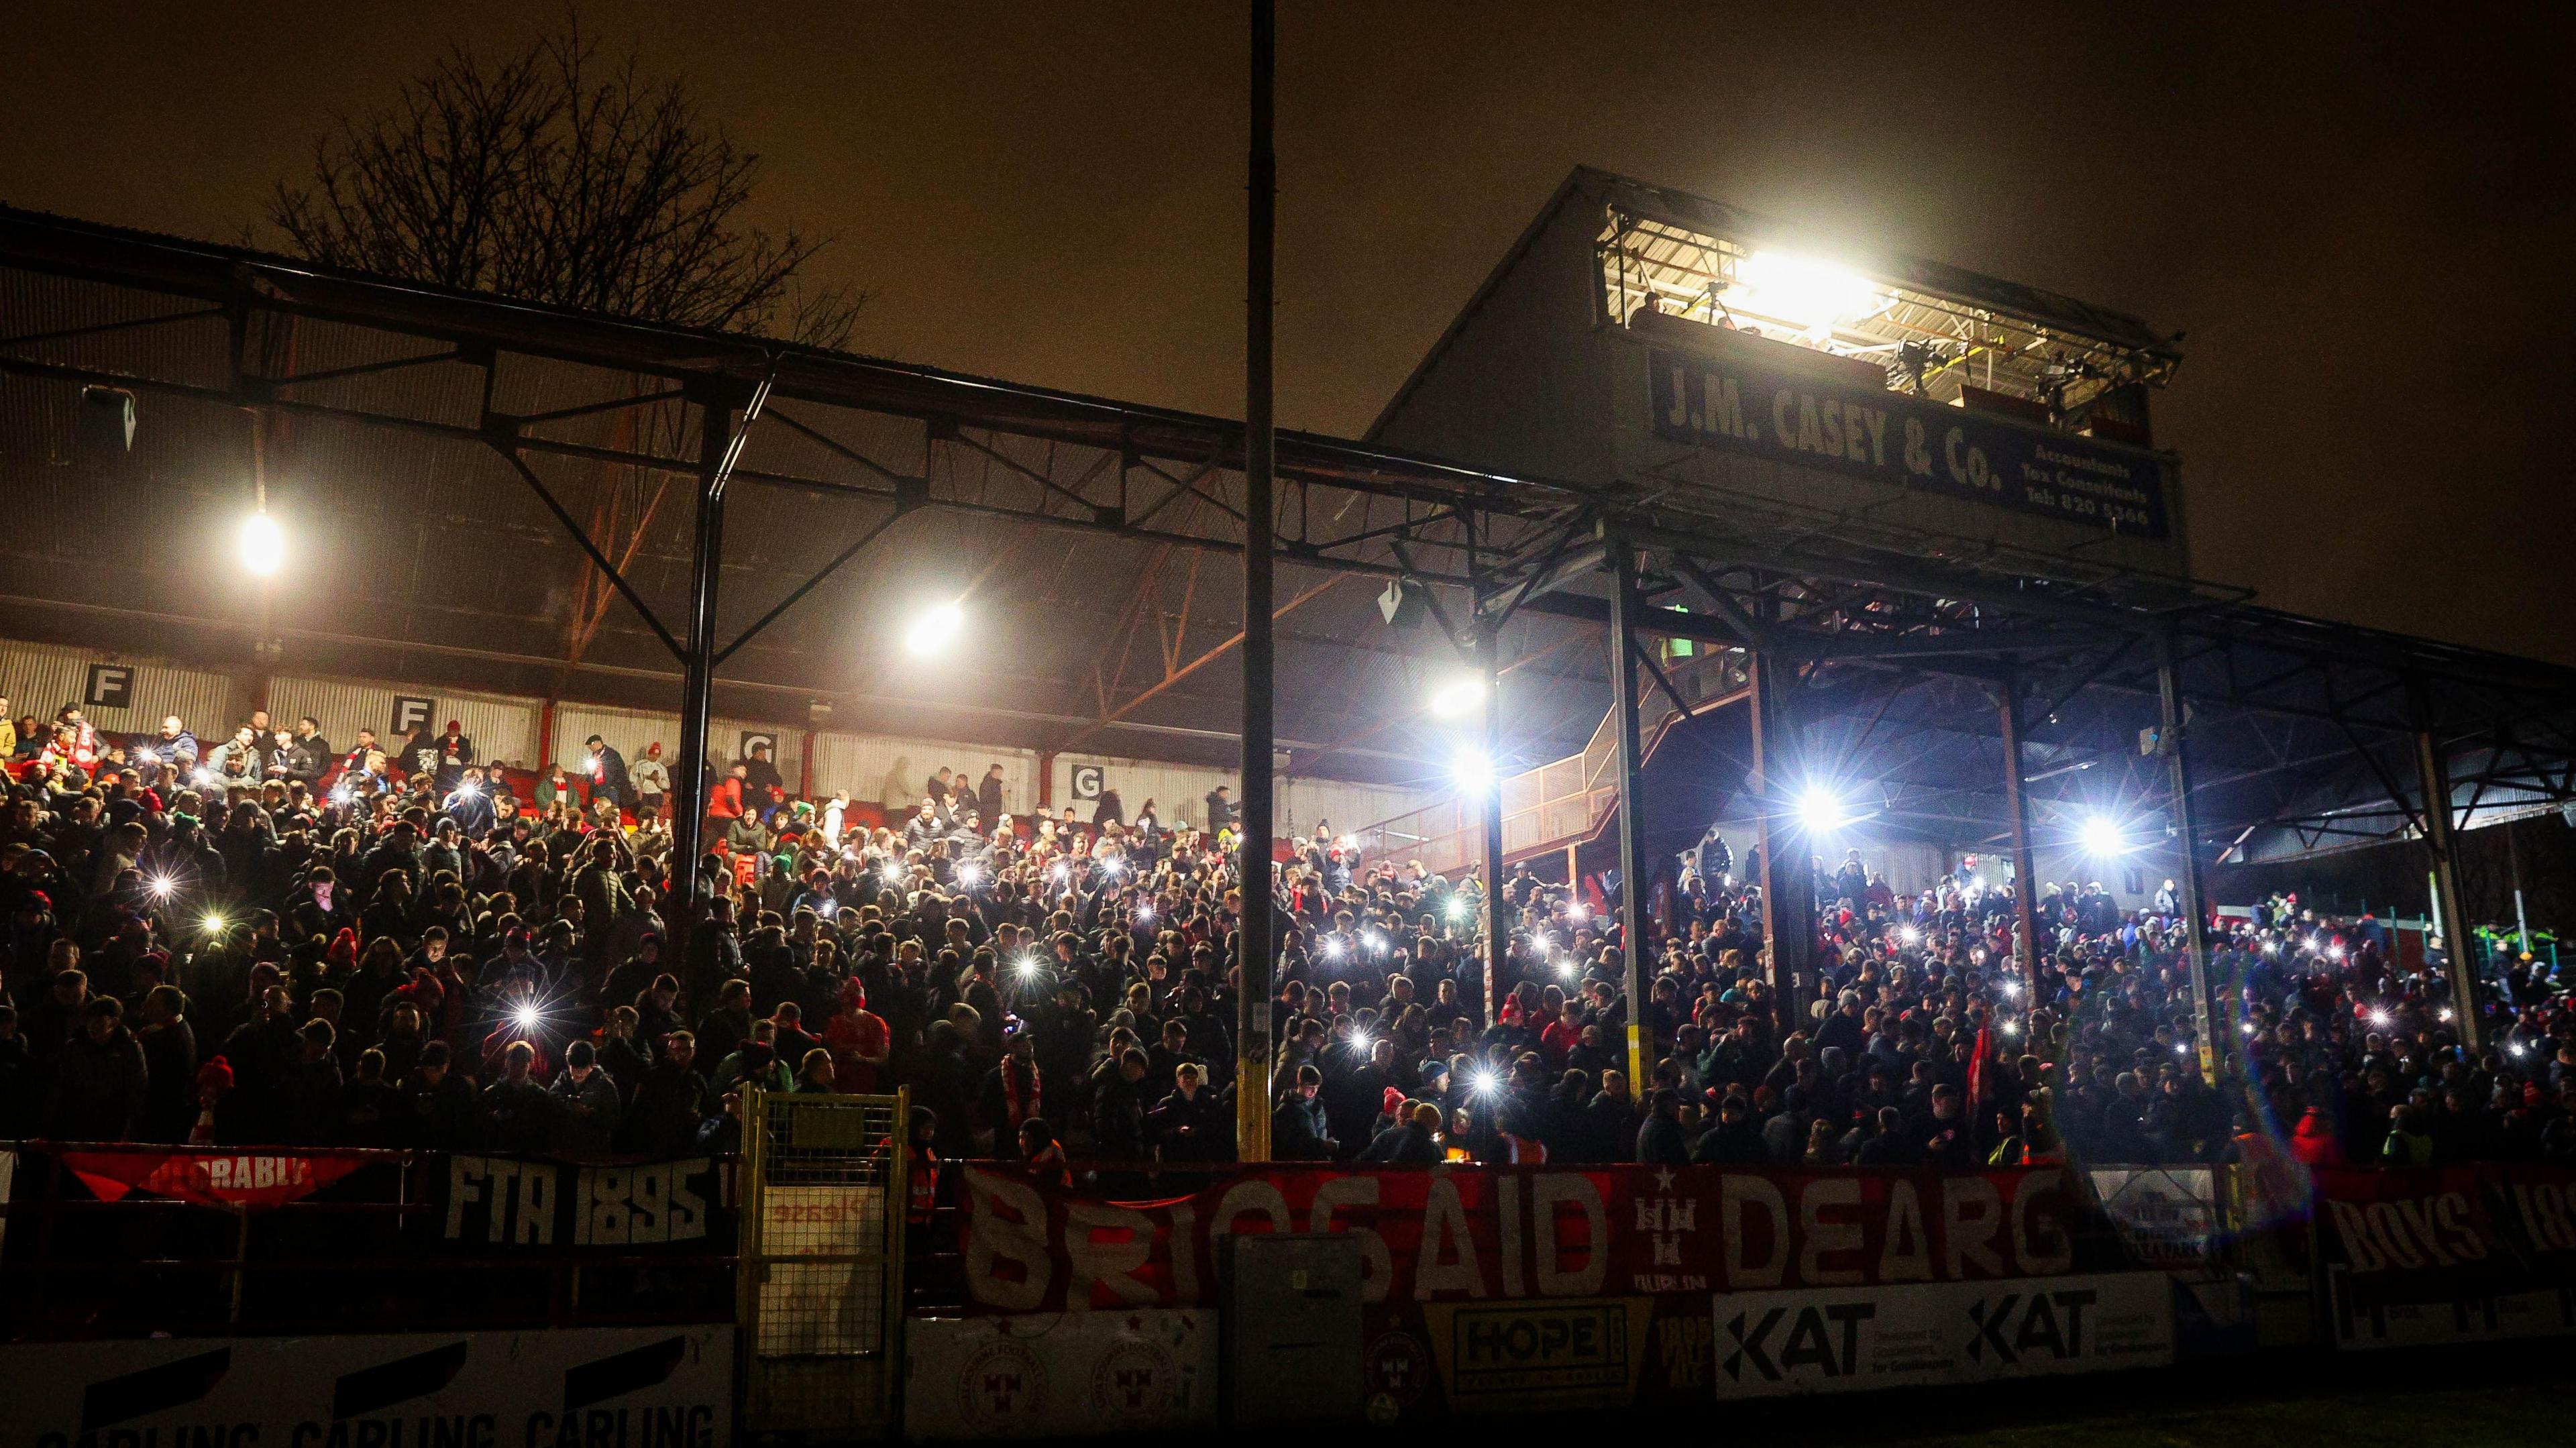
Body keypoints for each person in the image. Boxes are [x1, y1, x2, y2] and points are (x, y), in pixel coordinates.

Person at [631, 742, 671, 820]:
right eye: (652, 754)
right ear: (649, 753)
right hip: (644, 793)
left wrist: (657, 780)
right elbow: (633, 778)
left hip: (656, 794)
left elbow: (667, 785)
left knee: (654, 815)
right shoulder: (640, 765)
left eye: (656, 755)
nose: (654, 756)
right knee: (643, 815)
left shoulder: (662, 768)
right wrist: (638, 789)